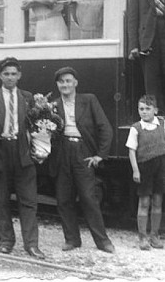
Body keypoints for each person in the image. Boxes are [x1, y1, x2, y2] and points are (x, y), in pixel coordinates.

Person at [0, 57, 45, 259]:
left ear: (19, 76)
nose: (10, 77)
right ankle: (6, 242)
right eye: (6, 74)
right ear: (0, 75)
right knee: (1, 200)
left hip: (22, 150)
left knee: (28, 200)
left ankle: (32, 245)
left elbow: (37, 125)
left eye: (13, 74)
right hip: (0, 150)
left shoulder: (27, 97)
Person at [48, 66, 115, 254]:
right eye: (61, 81)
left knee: (89, 197)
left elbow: (105, 128)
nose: (65, 84)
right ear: (57, 84)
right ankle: (72, 239)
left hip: (82, 151)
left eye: (68, 81)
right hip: (62, 153)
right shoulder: (52, 105)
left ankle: (103, 241)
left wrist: (100, 155)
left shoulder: (89, 100)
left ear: (75, 83)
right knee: (63, 199)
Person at [126, 94, 165, 250]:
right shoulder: (136, 128)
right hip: (144, 166)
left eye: (147, 109)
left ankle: (154, 235)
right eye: (141, 109)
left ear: (155, 110)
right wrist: (135, 170)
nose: (144, 112)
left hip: (161, 165)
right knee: (144, 202)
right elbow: (132, 151)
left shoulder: (162, 123)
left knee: (157, 201)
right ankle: (142, 237)